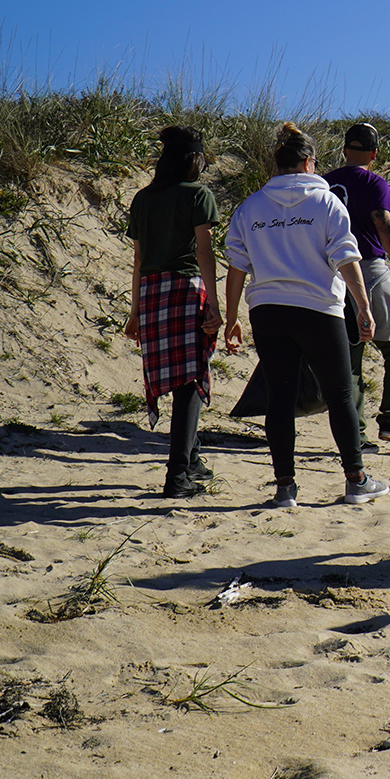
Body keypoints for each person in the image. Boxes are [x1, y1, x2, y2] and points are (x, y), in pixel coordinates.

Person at [222, 122, 390, 508]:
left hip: (267, 310)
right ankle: (356, 480)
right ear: (310, 162)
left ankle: (285, 488)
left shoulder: (251, 207)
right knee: (340, 394)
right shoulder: (326, 203)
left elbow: (237, 266)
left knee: (280, 397)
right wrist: (363, 306)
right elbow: (346, 257)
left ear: (278, 162)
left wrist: (232, 317)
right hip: (318, 310)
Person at [124, 126, 222, 499]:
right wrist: (214, 304)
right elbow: (204, 252)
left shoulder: (143, 198)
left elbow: (138, 258)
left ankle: (192, 460)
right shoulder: (198, 195)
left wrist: (134, 311)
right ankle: (178, 475)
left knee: (179, 378)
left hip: (151, 292)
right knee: (190, 382)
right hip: (185, 289)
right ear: (194, 159)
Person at [322, 122, 390, 450]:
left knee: (350, 357)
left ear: (344, 150)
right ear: (374, 154)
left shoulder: (324, 183)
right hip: (368, 271)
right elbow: (384, 226)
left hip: (331, 273)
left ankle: (355, 435)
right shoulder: (373, 183)